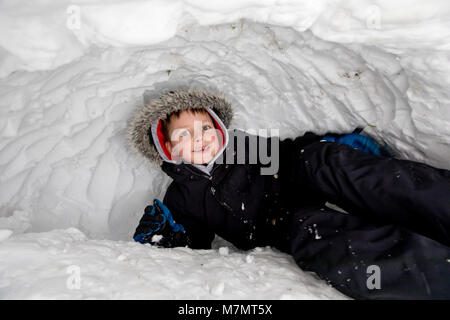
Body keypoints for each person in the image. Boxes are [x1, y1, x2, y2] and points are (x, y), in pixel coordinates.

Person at [127, 88, 450, 299]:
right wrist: (165, 237)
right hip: (282, 225)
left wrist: (330, 146)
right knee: (312, 233)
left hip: (295, 181)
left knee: (321, 160)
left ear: (219, 129)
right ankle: (434, 276)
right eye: (184, 134)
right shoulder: (182, 197)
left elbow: (286, 153)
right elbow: (191, 242)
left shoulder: (244, 146)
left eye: (205, 128)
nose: (199, 138)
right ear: (166, 148)